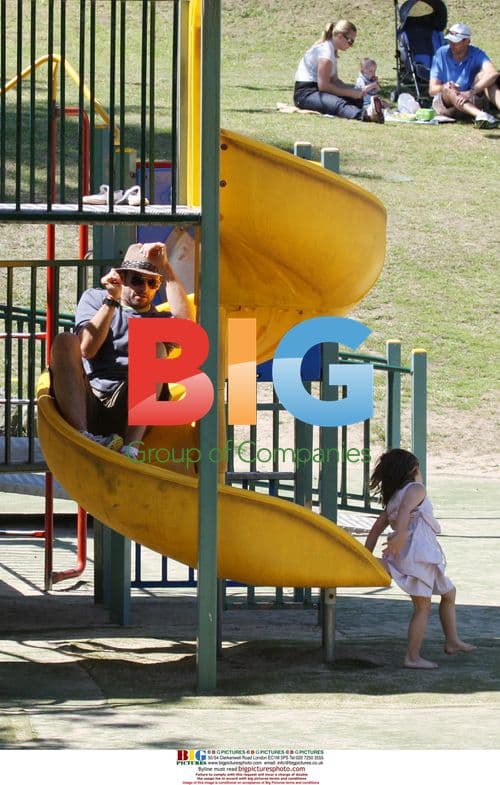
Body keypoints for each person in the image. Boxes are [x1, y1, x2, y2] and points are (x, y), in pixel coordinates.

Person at [50, 241, 194, 458]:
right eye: (137, 280)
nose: (144, 288)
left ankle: (131, 448)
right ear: (122, 278)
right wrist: (112, 300)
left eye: (152, 282)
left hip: (136, 408)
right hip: (89, 399)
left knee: (155, 348)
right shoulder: (96, 298)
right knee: (64, 340)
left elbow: (187, 328)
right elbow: (87, 348)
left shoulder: (157, 319)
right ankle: (82, 436)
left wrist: (167, 270)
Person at [365, 448, 476, 669]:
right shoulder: (416, 489)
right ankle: (412, 657)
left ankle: (452, 641)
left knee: (448, 593)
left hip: (413, 554)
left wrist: (365, 553)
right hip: (418, 555)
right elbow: (406, 510)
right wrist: (402, 533)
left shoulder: (394, 497)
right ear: (414, 469)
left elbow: (378, 526)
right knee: (423, 607)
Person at [293, 20, 384, 123]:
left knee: (357, 100)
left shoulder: (332, 51)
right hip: (305, 94)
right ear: (340, 36)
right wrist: (350, 92)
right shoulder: (326, 52)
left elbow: (335, 80)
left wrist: (355, 91)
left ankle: (367, 110)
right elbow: (324, 86)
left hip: (316, 90)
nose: (351, 45)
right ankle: (367, 116)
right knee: (339, 103)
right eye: (350, 41)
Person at [429, 22, 499, 129]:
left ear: (467, 41)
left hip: (471, 98)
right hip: (447, 105)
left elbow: (493, 73)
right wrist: (444, 86)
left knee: (485, 76)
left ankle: (483, 116)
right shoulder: (441, 53)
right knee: (449, 88)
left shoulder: (476, 53)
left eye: (455, 42)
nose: (451, 44)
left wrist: (471, 92)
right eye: (450, 41)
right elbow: (432, 90)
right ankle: (482, 116)